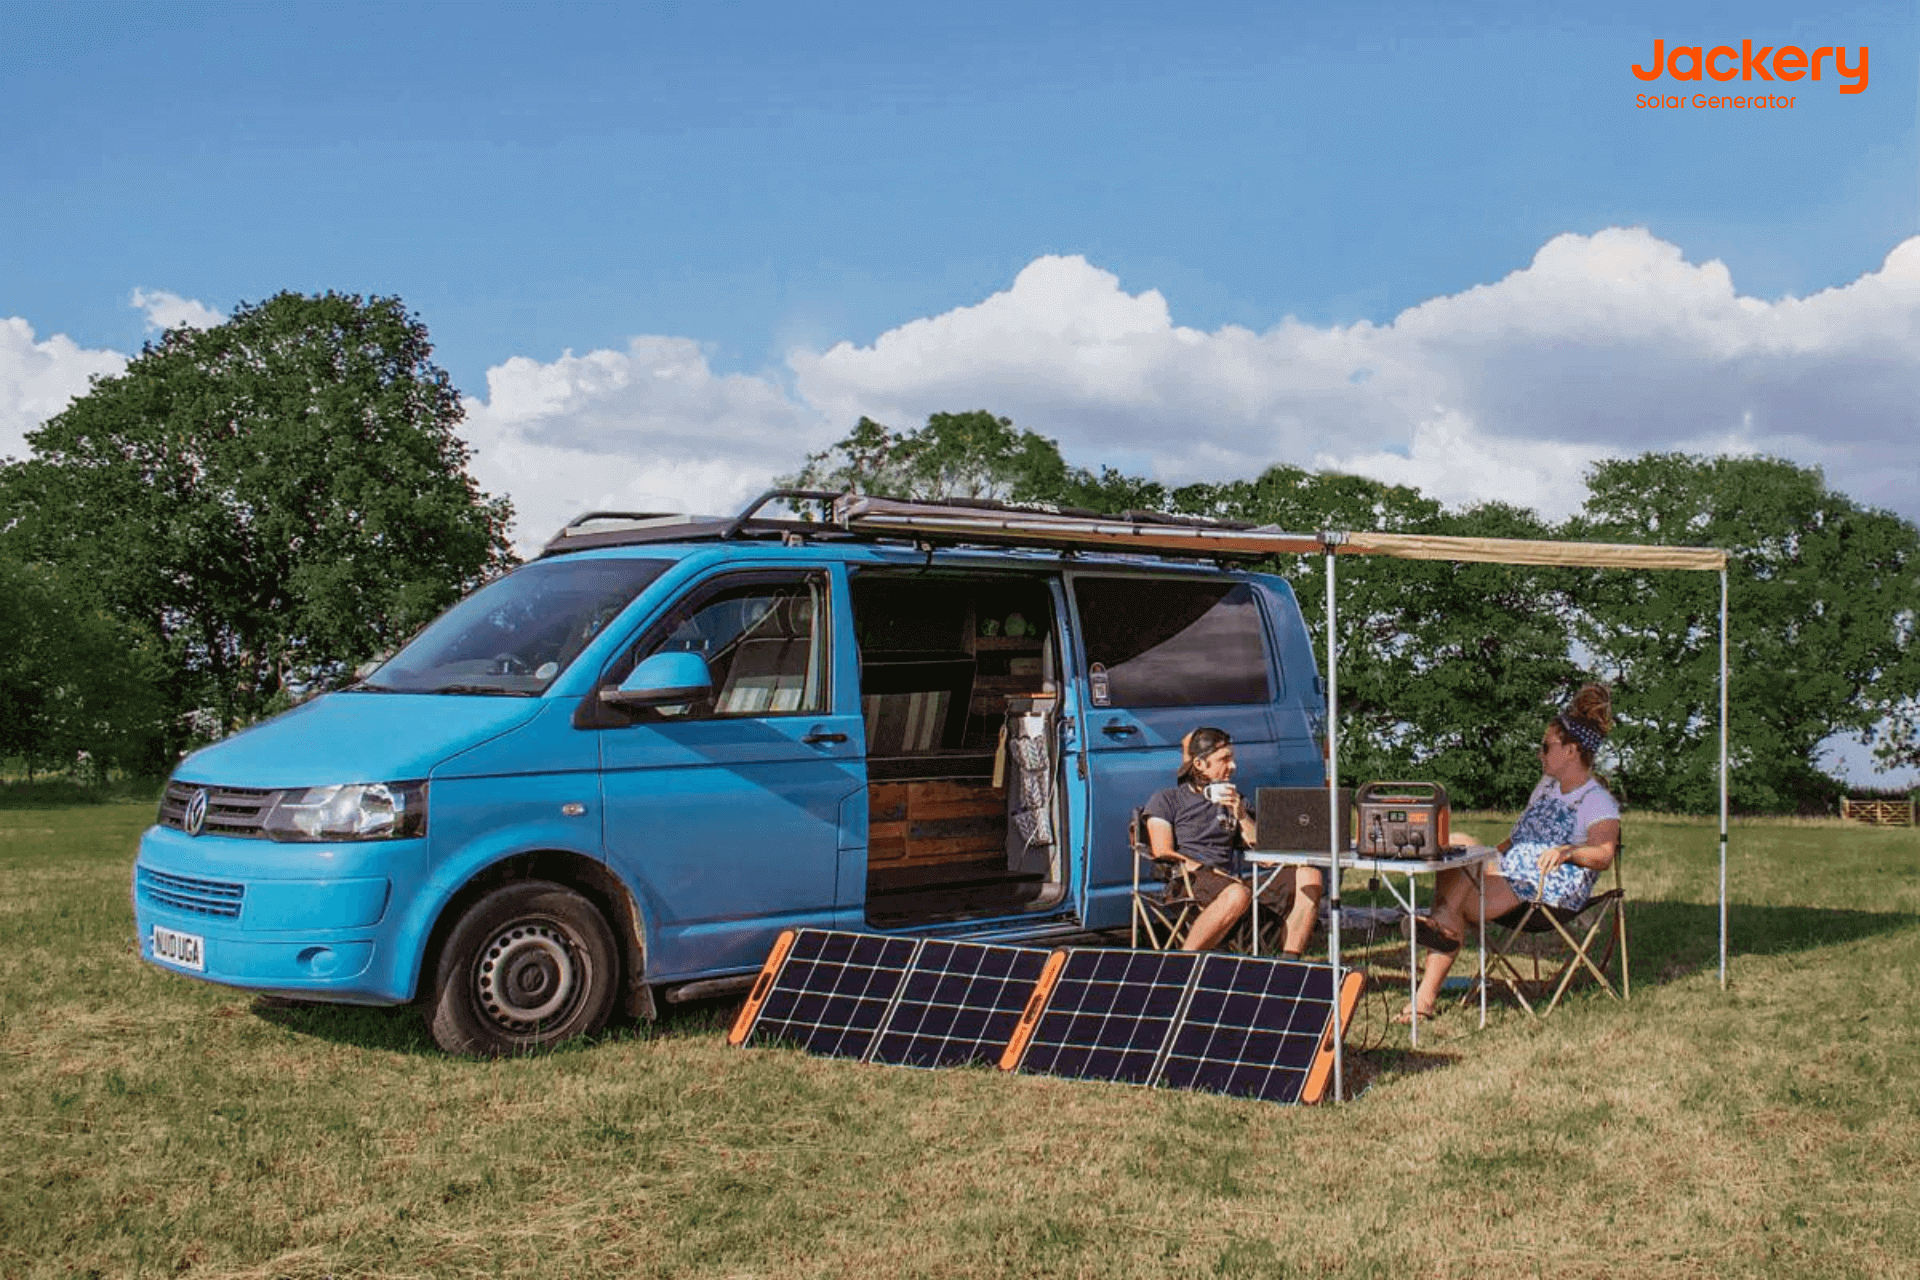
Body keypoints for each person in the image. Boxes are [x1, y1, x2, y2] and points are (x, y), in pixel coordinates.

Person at [1402, 683, 1622, 1022]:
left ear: (1571, 752)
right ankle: (1441, 932)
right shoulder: (1546, 787)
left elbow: (1604, 854)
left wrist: (1568, 851)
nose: (1540, 754)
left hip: (1546, 888)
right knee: (1459, 841)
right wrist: (1483, 853)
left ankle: (1427, 983)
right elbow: (1516, 839)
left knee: (1457, 892)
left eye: (1545, 747)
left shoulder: (1597, 801)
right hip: (1511, 870)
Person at [1143, 727, 1324, 955]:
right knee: (1237, 893)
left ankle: (1288, 962)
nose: (1233, 766)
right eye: (1224, 759)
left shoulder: (1236, 801)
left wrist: (1241, 815)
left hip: (1234, 886)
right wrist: (1207, 870)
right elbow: (1162, 850)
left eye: (1232, 759)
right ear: (1199, 764)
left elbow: (1265, 854)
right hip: (1188, 882)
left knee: (1310, 876)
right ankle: (1183, 962)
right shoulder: (1167, 799)